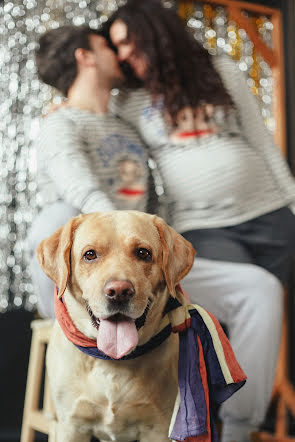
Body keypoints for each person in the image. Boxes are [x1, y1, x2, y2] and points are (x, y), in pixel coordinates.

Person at [103, 1, 295, 441]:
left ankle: (240, 429)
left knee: (259, 323)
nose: (125, 55)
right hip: (202, 227)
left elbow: (260, 141)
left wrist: (293, 206)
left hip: (269, 217)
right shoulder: (128, 100)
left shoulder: (219, 70)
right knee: (217, 327)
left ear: (154, 31)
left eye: (129, 41)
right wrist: (65, 105)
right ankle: (209, 426)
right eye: (117, 48)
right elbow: (103, 132)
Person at [27, 25, 158, 319]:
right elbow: (81, 189)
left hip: (136, 261)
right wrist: (121, 234)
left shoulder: (127, 124)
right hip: (88, 268)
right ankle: (65, 323)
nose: (118, 55)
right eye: (107, 47)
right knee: (55, 219)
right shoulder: (60, 123)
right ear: (86, 56)